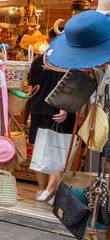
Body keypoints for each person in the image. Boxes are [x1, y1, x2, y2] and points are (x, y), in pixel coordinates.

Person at [28, 29, 75, 202]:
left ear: (48, 40)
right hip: (59, 111)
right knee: (58, 151)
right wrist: (65, 107)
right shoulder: (69, 60)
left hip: (41, 109)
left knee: (42, 151)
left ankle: (44, 190)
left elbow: (33, 86)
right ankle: (48, 190)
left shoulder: (39, 60)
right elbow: (71, 87)